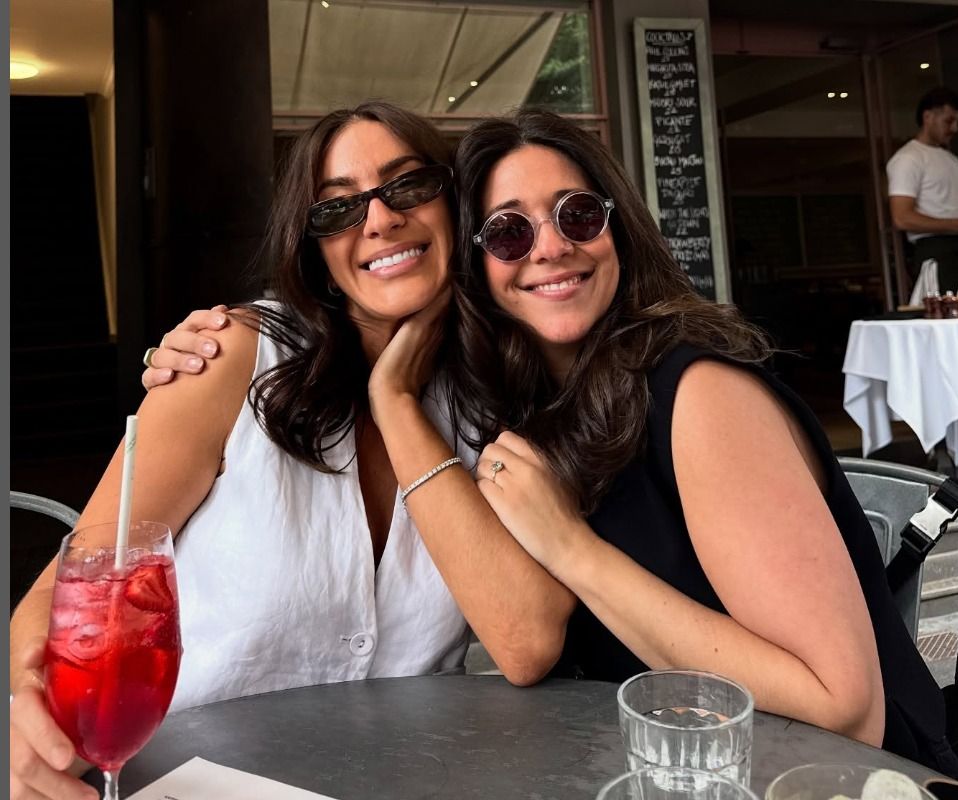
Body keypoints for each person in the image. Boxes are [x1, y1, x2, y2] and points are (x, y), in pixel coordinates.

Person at [151, 108, 958, 778]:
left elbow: (842, 709)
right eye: (507, 232)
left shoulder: (698, 393)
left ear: (617, 228)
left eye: (576, 215)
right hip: (664, 770)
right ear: (473, 262)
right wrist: (389, 395)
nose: (547, 247)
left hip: (834, 779)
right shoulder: (514, 413)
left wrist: (572, 549)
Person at [9, 103, 574, 800]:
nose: (379, 219)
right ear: (316, 251)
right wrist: (32, 696)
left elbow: (524, 642)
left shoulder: (498, 394)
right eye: (337, 208)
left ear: (453, 205)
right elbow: (71, 588)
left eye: (407, 184)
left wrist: (394, 399)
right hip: (188, 783)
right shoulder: (230, 358)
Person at [887, 85, 958, 293]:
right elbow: (902, 218)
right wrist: (956, 225)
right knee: (946, 312)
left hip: (953, 245)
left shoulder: (951, 160)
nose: (954, 128)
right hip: (937, 251)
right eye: (949, 121)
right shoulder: (908, 158)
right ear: (928, 117)